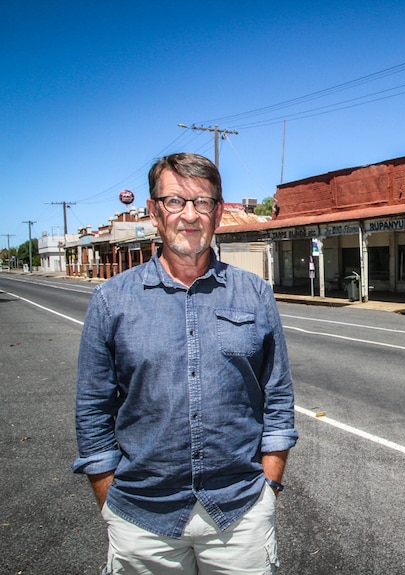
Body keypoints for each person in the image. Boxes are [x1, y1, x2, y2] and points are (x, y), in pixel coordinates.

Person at [73, 152, 298, 574]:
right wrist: (110, 502)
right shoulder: (112, 300)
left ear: (217, 212)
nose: (189, 215)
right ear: (154, 211)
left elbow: (278, 396)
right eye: (175, 201)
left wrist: (268, 487)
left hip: (239, 514)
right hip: (141, 518)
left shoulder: (254, 294)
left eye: (203, 202)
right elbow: (93, 409)